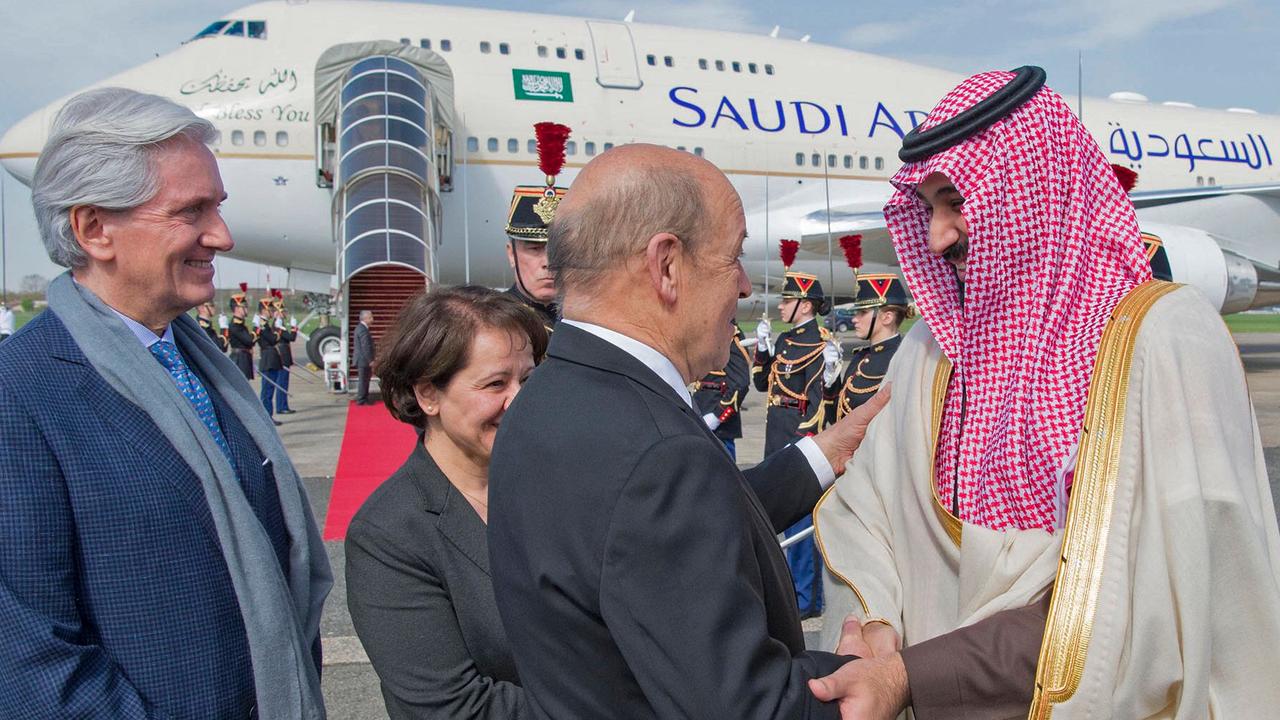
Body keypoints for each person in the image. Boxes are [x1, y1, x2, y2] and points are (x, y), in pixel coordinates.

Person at [812, 67, 1280, 719]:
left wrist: (911, 676)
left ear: (1031, 189)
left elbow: (1146, 605)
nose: (939, 235)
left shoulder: (1162, 342)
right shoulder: (929, 355)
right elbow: (866, 511)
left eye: (957, 201)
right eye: (930, 209)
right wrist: (877, 622)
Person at [487, 143, 890, 719]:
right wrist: (867, 676)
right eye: (733, 258)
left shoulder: (548, 397)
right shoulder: (655, 450)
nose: (747, 287)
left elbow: (652, 540)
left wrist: (826, 450)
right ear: (667, 266)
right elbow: (752, 709)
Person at [0, 87, 330, 718]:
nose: (223, 236)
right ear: (95, 229)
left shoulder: (202, 368)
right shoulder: (20, 395)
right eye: (192, 211)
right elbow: (31, 658)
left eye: (219, 207)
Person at [346, 286, 547, 720]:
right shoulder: (389, 534)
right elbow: (452, 708)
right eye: (496, 383)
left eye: (529, 380)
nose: (522, 401)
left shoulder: (558, 488)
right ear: (428, 395)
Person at [754, 270, 843, 619]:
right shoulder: (787, 342)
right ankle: (792, 590)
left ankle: (807, 598)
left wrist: (802, 446)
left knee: (800, 527)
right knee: (778, 523)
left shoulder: (820, 345)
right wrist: (763, 349)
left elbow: (819, 402)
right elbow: (763, 384)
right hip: (776, 437)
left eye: (787, 301)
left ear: (805, 306)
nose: (781, 306)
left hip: (797, 439)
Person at [502, 122, 570, 334]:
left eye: (558, 250)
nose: (548, 264)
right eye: (534, 249)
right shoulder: (492, 321)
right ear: (511, 254)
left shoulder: (588, 323)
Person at [835, 274, 910, 421]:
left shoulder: (903, 360)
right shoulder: (860, 357)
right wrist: (830, 379)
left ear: (887, 317)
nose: (854, 319)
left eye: (862, 313)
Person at [691, 321, 752, 459]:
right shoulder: (710, 332)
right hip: (701, 410)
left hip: (719, 420)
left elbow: (740, 383)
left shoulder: (730, 335)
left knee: (724, 475)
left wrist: (717, 416)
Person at [256, 297, 284, 425]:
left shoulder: (266, 324)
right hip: (268, 359)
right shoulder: (262, 324)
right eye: (270, 310)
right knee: (266, 392)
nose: (272, 312)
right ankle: (267, 417)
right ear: (264, 310)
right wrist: (278, 330)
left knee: (269, 390)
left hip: (272, 358)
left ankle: (269, 416)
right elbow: (272, 339)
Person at [273, 292, 297, 415]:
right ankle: (281, 406)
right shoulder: (278, 326)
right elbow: (291, 337)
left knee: (284, 382)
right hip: (282, 356)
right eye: (283, 312)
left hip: (285, 355)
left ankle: (284, 405)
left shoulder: (280, 325)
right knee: (282, 382)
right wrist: (294, 327)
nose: (285, 314)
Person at [227, 285, 255, 380]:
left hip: (244, 359)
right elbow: (249, 341)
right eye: (244, 307)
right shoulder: (235, 325)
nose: (247, 309)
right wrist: (257, 328)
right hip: (239, 359)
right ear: (237, 308)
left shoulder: (240, 324)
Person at [353, 309, 375, 404]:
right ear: (365, 318)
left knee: (365, 380)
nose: (372, 319)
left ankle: (364, 397)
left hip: (362, 360)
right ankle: (362, 399)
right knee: (363, 380)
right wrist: (370, 360)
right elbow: (365, 346)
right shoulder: (362, 329)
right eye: (370, 317)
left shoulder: (361, 328)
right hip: (363, 360)